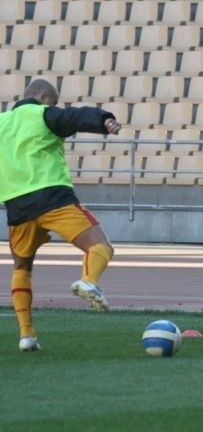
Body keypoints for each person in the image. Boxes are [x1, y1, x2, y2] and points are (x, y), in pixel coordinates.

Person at [0, 79, 122, 352]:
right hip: (52, 198)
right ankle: (88, 282)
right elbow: (75, 116)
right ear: (43, 97)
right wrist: (105, 120)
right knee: (100, 246)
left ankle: (27, 335)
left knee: (22, 268)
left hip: (17, 207)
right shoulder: (42, 114)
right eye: (53, 102)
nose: (54, 107)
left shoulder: (2, 123)